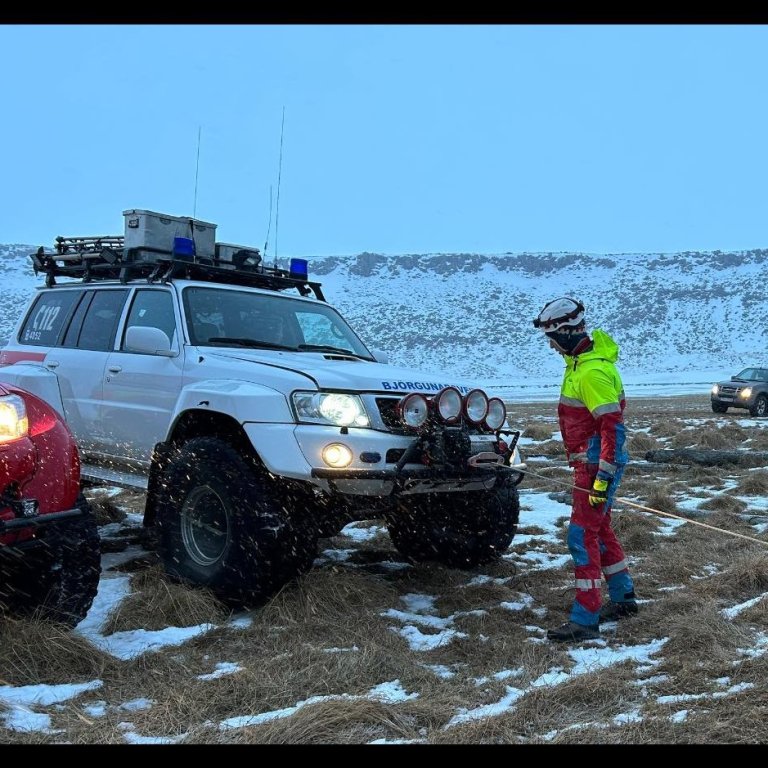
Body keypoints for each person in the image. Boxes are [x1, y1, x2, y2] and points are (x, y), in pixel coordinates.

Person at [532, 297, 637, 642]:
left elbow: (612, 428)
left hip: (595, 466)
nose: (549, 345)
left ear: (565, 334)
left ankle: (585, 617)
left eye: (551, 338)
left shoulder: (591, 372)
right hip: (590, 463)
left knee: (580, 536)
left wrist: (602, 479)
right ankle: (623, 599)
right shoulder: (579, 364)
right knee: (600, 528)